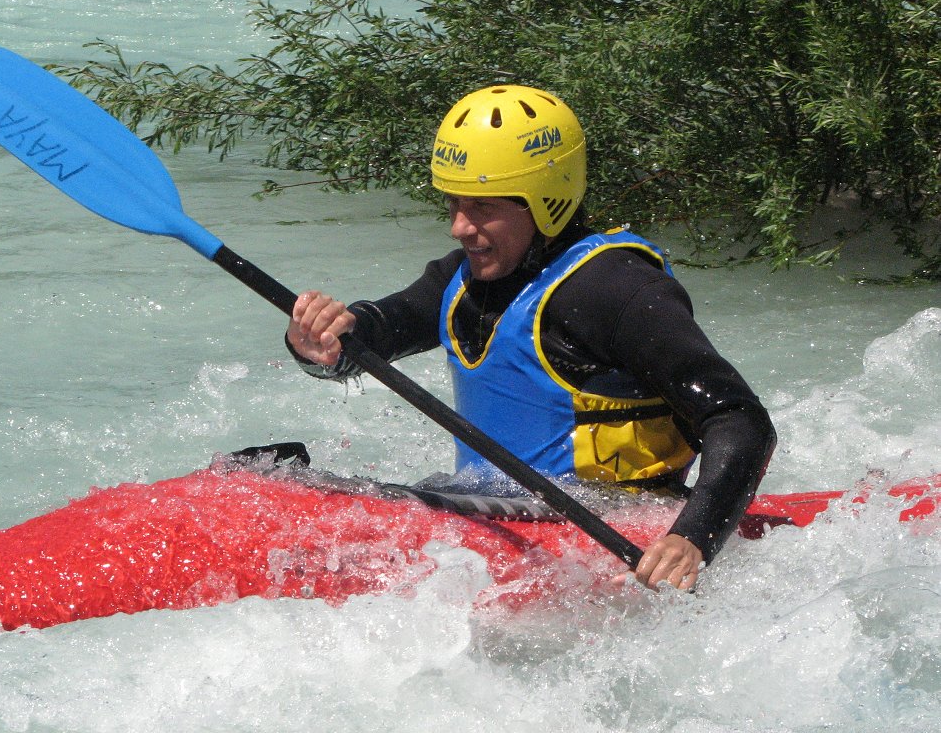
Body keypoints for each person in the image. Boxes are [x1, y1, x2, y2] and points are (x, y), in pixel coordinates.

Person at [286, 85, 776, 592]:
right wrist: (322, 343)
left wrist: (693, 537)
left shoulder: (617, 291)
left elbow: (740, 419)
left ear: (546, 202)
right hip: (499, 515)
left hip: (612, 525)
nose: (459, 227)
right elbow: (377, 333)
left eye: (481, 208)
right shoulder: (460, 280)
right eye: (453, 203)